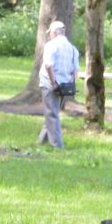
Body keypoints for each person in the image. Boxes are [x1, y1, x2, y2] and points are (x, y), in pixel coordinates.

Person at [37, 20, 80, 149]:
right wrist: (71, 83)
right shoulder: (73, 49)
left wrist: (53, 82)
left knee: (52, 115)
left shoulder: (51, 45)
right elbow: (76, 70)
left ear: (54, 33)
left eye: (50, 33)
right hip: (65, 86)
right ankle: (41, 142)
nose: (49, 35)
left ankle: (57, 146)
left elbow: (48, 65)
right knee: (52, 112)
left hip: (50, 84)